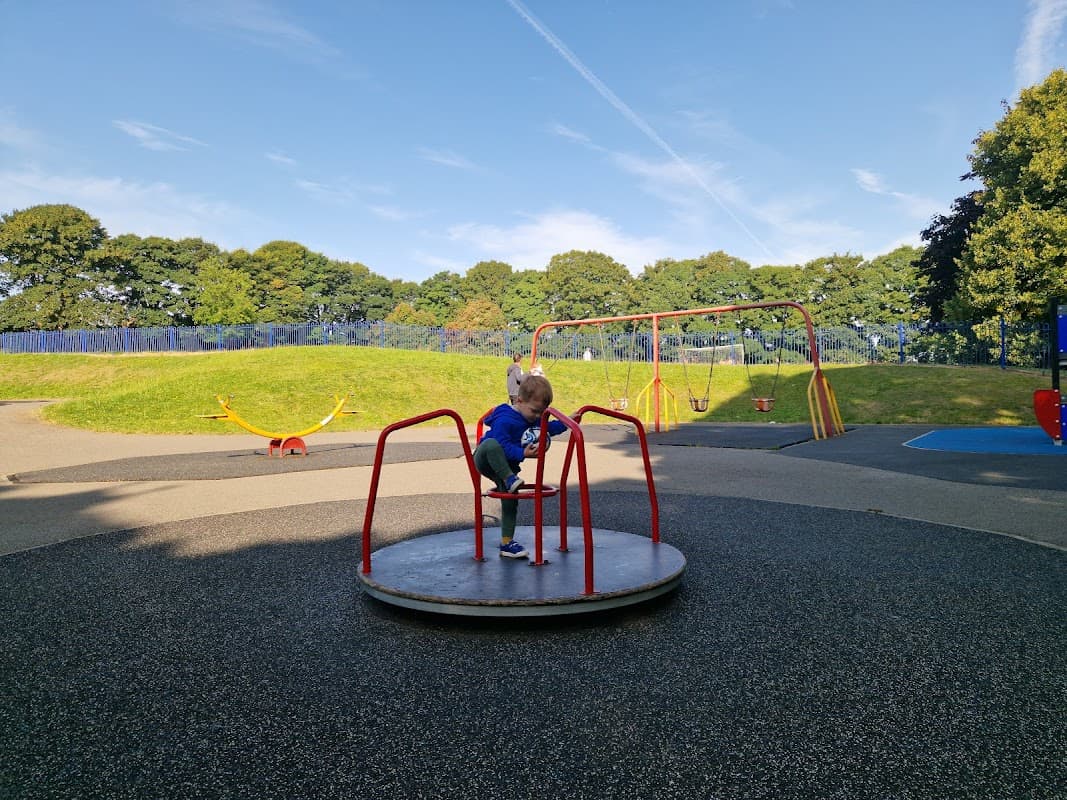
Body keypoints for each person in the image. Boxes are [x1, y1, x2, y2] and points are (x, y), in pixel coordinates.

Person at [474, 374, 567, 558]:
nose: (538, 417)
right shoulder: (504, 418)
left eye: (542, 412)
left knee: (510, 500)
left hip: (508, 466)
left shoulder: (531, 417)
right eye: (535, 411)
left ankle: (507, 543)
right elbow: (502, 444)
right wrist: (522, 453)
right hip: (486, 458)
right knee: (492, 444)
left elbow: (549, 428)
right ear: (519, 400)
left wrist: (568, 421)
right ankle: (510, 479)